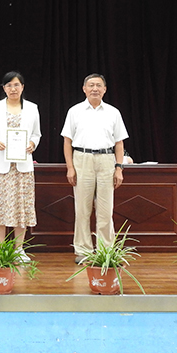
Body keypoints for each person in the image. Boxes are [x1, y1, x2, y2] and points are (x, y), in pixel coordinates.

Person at [61, 73, 129, 264]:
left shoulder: (113, 112)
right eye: (91, 85)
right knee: (82, 210)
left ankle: (106, 251)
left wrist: (119, 168)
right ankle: (83, 250)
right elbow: (67, 142)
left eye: (99, 85)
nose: (95, 89)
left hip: (107, 160)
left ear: (105, 89)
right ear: (84, 89)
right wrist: (70, 167)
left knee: (106, 210)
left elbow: (119, 143)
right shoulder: (74, 111)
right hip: (82, 159)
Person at [0, 71, 41, 262]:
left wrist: (32, 144)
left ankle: (19, 249)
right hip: (0, 165)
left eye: (16, 85)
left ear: (22, 87)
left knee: (21, 208)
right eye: (9, 85)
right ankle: (0, 248)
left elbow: (36, 134)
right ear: (4, 88)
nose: (13, 89)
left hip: (22, 166)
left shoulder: (32, 108)